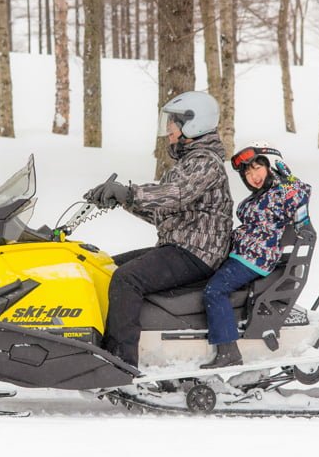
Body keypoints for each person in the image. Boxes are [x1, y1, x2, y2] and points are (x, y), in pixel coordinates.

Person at [85, 91, 233, 367]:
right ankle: (96, 344)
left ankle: (120, 362)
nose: (168, 131)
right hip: (181, 246)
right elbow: (164, 211)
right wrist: (122, 201)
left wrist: (129, 192)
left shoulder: (205, 162)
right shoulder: (188, 162)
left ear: (193, 124)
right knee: (105, 268)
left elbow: (177, 194)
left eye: (172, 123)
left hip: (198, 253)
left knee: (126, 279)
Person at [200, 144, 311, 369]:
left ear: (269, 166)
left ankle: (228, 350)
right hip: (242, 254)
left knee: (215, 290)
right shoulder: (259, 197)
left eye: (257, 168)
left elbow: (300, 196)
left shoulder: (280, 192)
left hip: (256, 258)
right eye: (247, 174)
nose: (253, 176)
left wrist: (288, 178)